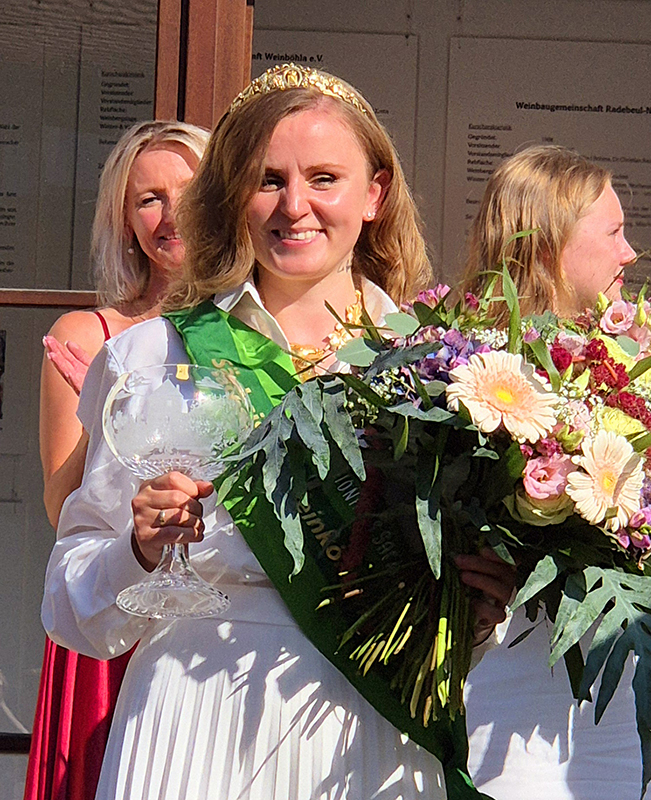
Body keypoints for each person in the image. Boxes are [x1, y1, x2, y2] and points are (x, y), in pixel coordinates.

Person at [41, 65, 514, 800]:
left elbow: (445, 623)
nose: (294, 206)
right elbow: (70, 610)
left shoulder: (446, 374)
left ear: (374, 194)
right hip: (190, 723)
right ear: (234, 197)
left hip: (365, 730)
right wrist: (137, 550)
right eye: (267, 180)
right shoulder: (154, 353)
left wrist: (475, 617)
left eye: (323, 177)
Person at [27, 120, 209, 800]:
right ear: (125, 219)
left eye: (188, 191)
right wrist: (99, 411)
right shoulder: (87, 335)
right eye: (148, 199)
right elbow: (58, 509)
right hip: (117, 600)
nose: (170, 215)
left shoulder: (258, 330)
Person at [460, 144, 642, 800]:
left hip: (622, 714)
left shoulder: (632, 370)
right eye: (614, 233)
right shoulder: (468, 382)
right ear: (545, 249)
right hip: (512, 722)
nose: (630, 253)